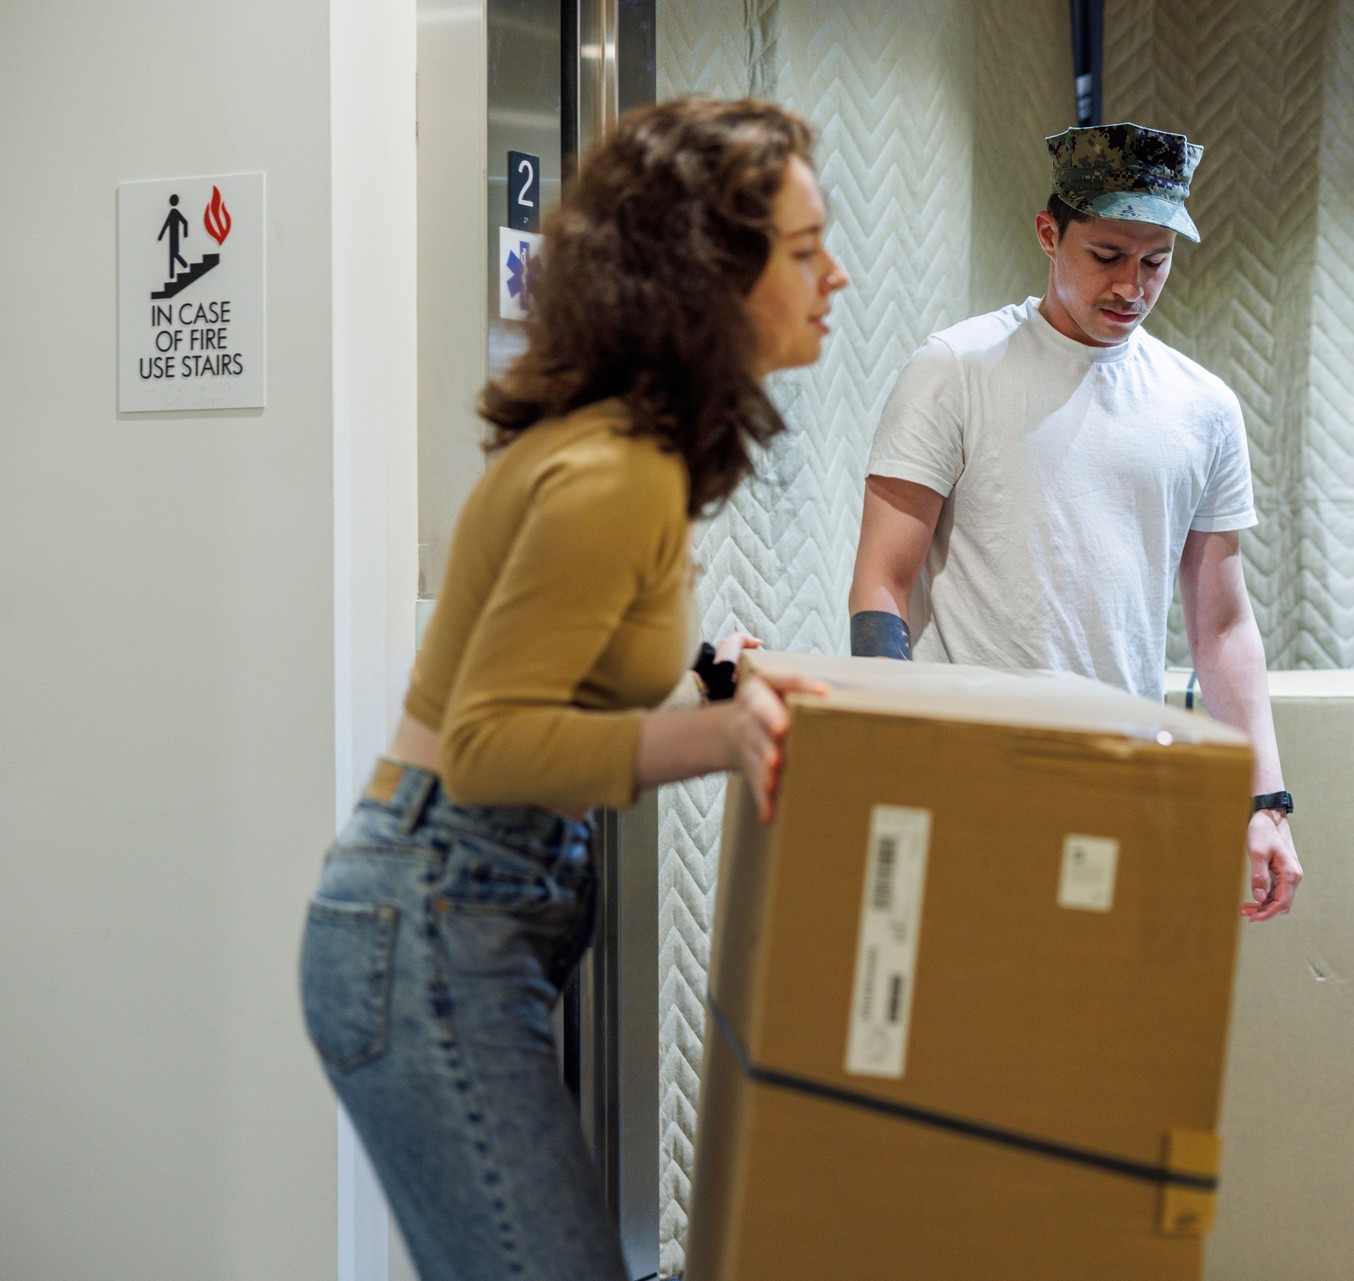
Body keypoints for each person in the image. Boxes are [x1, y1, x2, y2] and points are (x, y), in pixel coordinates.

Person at [299, 97, 846, 1281]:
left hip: (454, 901)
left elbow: (587, 656)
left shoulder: (613, 448)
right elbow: (493, 743)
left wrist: (721, 675)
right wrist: (720, 736)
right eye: (805, 253)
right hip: (437, 908)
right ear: (710, 276)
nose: (834, 276)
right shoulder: (618, 471)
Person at [848, 123, 1303, 921]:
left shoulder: (1203, 407)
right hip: (964, 776)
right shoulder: (955, 369)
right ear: (1049, 235)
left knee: (1096, 1033)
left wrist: (1265, 800)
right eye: (1107, 256)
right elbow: (881, 582)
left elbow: (1224, 627)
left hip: (1119, 786)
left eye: (1156, 260)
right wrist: (889, 755)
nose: (1133, 285)